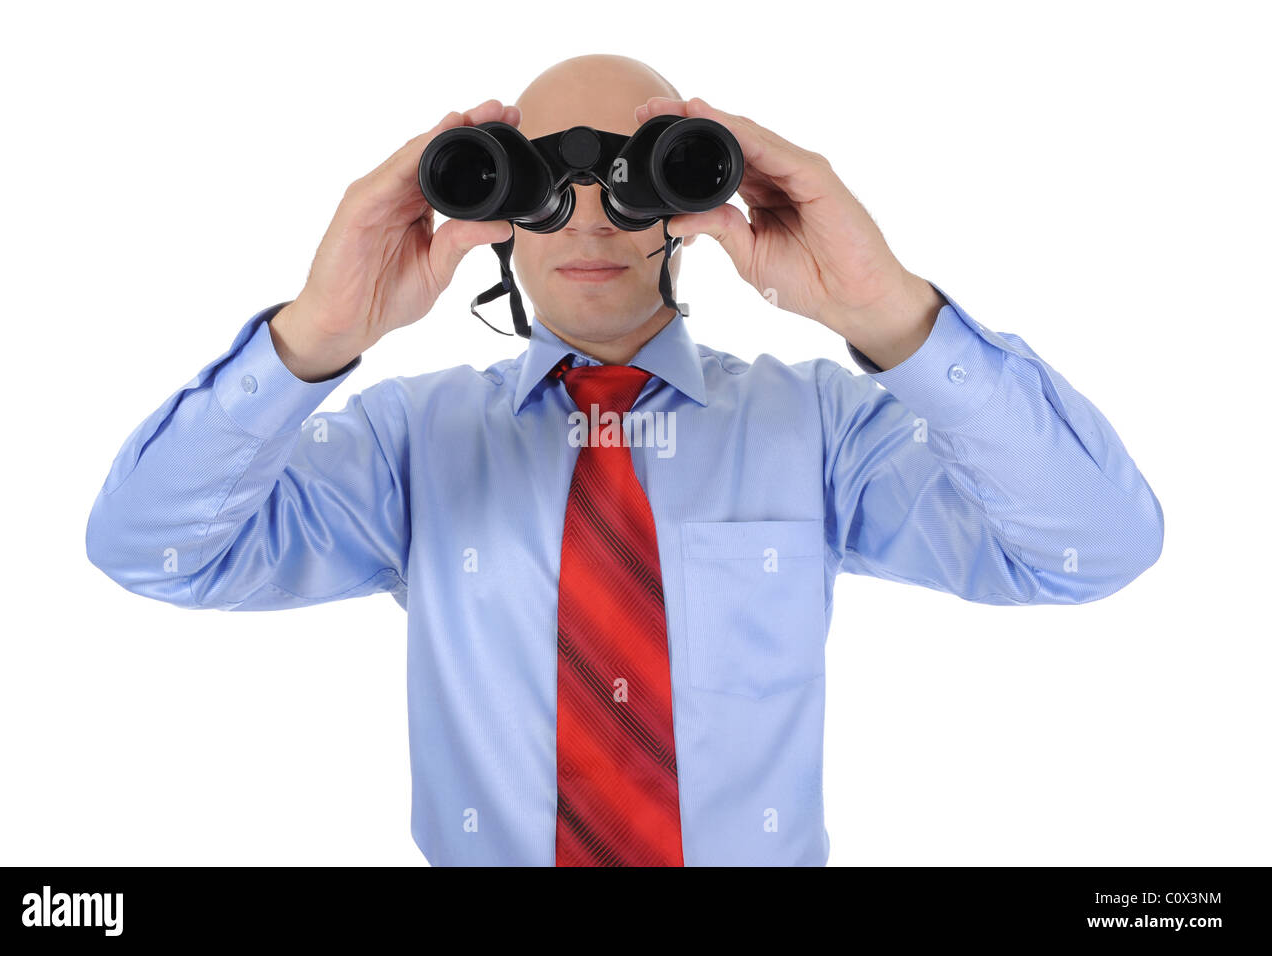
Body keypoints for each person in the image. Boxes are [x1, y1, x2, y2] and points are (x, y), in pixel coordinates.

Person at [85, 54, 1164, 866]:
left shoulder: (821, 429)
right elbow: (153, 549)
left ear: (692, 200)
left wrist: (889, 313)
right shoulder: (408, 442)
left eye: (638, 175)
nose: (591, 217)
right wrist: (314, 336)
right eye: (541, 182)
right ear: (491, 210)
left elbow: (1091, 549)